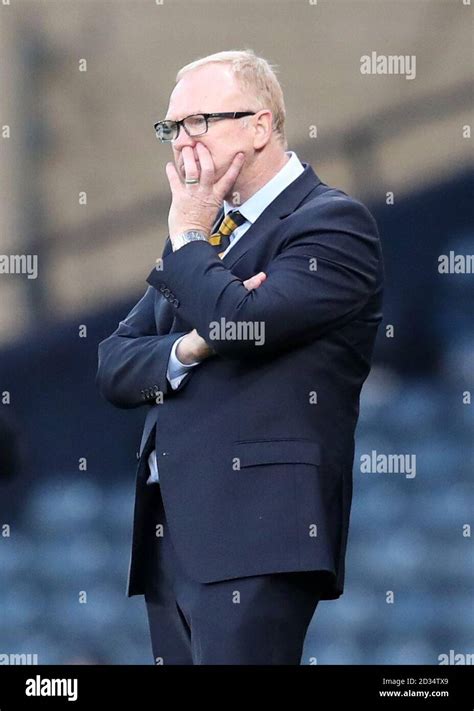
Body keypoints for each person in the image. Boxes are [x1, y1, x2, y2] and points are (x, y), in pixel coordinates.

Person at [96, 49, 384, 665]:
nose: (181, 143)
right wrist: (189, 343)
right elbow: (115, 365)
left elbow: (239, 322)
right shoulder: (202, 235)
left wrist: (193, 242)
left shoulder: (331, 223)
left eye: (198, 122)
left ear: (260, 125)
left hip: (258, 533)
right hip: (170, 534)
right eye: (171, 128)